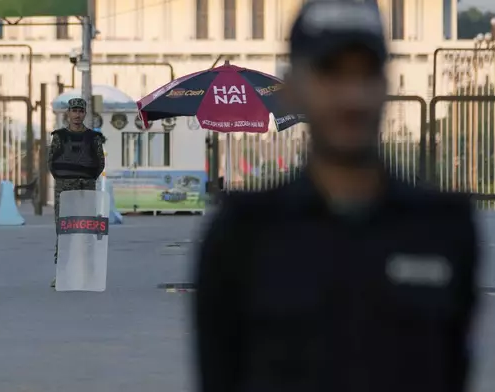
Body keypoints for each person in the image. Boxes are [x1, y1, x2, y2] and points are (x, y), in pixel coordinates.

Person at [193, 1, 480, 392]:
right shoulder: (242, 234)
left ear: (385, 85)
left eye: (365, 74)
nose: (352, 96)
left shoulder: (444, 229)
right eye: (331, 74)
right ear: (292, 89)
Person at [48, 98, 106, 287]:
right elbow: (52, 163)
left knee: (87, 232)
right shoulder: (59, 137)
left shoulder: (93, 138)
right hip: (64, 190)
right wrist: (66, 179)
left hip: (86, 189)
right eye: (74, 111)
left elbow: (99, 163)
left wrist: (86, 179)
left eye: (81, 111)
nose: (77, 115)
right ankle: (62, 274)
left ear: (85, 113)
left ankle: (87, 274)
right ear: (69, 113)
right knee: (64, 232)